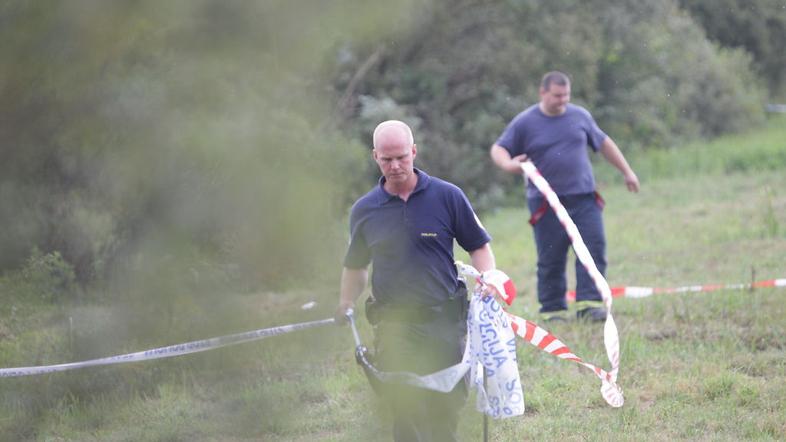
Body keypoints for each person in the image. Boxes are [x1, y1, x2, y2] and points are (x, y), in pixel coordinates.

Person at [336, 120, 496, 441]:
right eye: (387, 159)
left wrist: (488, 280)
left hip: (444, 321)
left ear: (414, 151)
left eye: (401, 157)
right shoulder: (364, 210)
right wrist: (345, 303)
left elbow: (479, 247)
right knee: (404, 411)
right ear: (375, 158)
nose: (395, 166)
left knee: (445, 409)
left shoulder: (448, 196)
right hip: (394, 324)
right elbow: (356, 267)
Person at [490, 71, 639, 322]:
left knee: (593, 249)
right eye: (557, 96)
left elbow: (604, 143)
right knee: (551, 256)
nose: (562, 101)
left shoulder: (580, 116)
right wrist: (509, 165)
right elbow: (498, 148)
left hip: (584, 199)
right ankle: (553, 310)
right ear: (543, 92)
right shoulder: (525, 122)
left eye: (566, 95)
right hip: (545, 203)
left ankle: (589, 305)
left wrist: (627, 172)